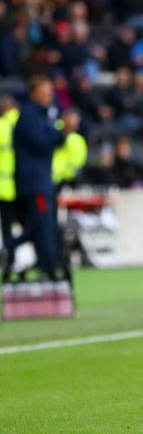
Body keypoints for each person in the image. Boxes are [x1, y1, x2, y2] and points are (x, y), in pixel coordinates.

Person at [12, 76, 69, 282]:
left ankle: (45, 262)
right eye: (45, 92)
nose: (49, 97)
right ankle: (48, 267)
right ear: (33, 93)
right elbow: (41, 143)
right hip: (34, 183)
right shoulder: (29, 115)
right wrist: (62, 133)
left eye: (50, 93)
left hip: (39, 181)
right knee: (43, 226)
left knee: (40, 227)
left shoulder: (42, 114)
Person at [0, 95, 20, 282]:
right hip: (22, 186)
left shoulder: (2, 126)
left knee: (6, 228)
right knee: (28, 225)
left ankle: (9, 259)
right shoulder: (25, 123)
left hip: (4, 188)